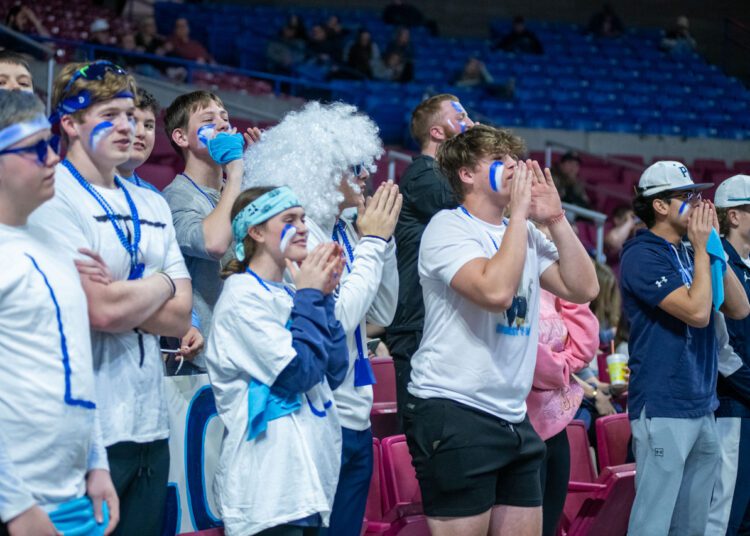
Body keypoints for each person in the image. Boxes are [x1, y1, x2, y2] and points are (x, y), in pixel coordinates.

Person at [405, 125, 599, 536]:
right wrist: (521, 216)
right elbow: (495, 292)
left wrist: (556, 218)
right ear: (466, 174)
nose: (514, 166)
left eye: (513, 158)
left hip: (513, 415)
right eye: (499, 160)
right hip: (455, 409)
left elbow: (584, 287)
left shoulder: (523, 232)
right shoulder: (447, 227)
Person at [28, 60, 194, 535]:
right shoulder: (52, 196)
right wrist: (162, 282)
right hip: (83, 435)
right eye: (109, 115)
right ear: (70, 123)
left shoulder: (153, 202)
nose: (127, 126)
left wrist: (129, 295)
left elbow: (181, 316)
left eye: (129, 114)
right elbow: (98, 310)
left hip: (151, 426)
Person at [244, 101, 401, 536]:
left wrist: (382, 243)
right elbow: (338, 318)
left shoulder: (345, 230)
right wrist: (373, 242)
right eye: (355, 166)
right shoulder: (300, 237)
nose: (366, 175)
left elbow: (382, 312)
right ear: (323, 170)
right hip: (317, 416)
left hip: (356, 412)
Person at [0, 90, 119, 536]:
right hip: (18, 507)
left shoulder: (56, 246)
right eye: (35, 149)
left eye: (50, 144)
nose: (53, 158)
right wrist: (13, 505)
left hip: (71, 494)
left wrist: (97, 462)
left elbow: (76, 369)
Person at [207, 186, 348, 535]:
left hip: (307, 484)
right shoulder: (241, 296)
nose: (303, 227)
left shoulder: (291, 292)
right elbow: (299, 374)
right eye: (289, 219)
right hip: (268, 491)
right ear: (256, 231)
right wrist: (311, 296)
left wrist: (324, 298)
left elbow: (335, 371)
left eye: (303, 218)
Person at [620, 161, 750, 535]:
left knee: (692, 526)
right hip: (663, 404)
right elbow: (696, 313)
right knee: (653, 524)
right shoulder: (642, 254)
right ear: (659, 205)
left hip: (702, 403)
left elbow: (740, 307)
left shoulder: (692, 251)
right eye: (686, 196)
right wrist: (702, 251)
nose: (697, 203)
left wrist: (713, 247)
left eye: (696, 194)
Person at [385, 94, 475, 424]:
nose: (470, 123)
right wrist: (480, 153)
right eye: (460, 118)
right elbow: (473, 201)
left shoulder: (444, 176)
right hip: (416, 323)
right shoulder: (422, 175)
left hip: (439, 318)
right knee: (418, 426)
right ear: (437, 132)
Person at [162, 90, 260, 373]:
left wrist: (258, 174)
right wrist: (236, 171)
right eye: (208, 119)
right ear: (181, 137)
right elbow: (214, 244)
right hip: (202, 363)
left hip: (246, 354)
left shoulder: (234, 189)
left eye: (225, 117)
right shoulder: (176, 197)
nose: (222, 123)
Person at [116, 87, 205, 366]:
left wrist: (189, 324)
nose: (141, 133)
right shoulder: (72, 189)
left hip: (146, 351)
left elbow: (173, 272)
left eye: (149, 125)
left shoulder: (154, 198)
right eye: (132, 122)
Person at [527, 286, 598, 536]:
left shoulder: (552, 283)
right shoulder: (510, 280)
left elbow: (584, 348)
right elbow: (527, 359)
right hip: (521, 431)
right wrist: (565, 368)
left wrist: (563, 365)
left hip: (557, 427)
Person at [706, 175, 750, 535]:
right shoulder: (717, 262)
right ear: (733, 216)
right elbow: (723, 348)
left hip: (745, 402)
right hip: (732, 406)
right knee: (725, 513)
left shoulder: (745, 265)